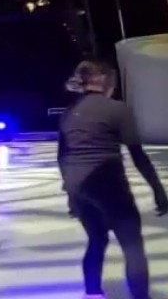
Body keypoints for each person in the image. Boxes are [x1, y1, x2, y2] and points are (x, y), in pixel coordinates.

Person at [59, 60, 167, 299]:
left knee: (96, 240)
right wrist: (158, 191)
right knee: (132, 247)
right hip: (107, 183)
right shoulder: (117, 109)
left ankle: (93, 294)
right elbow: (137, 155)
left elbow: (62, 157)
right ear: (108, 83)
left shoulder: (69, 113)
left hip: (79, 187)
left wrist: (70, 195)